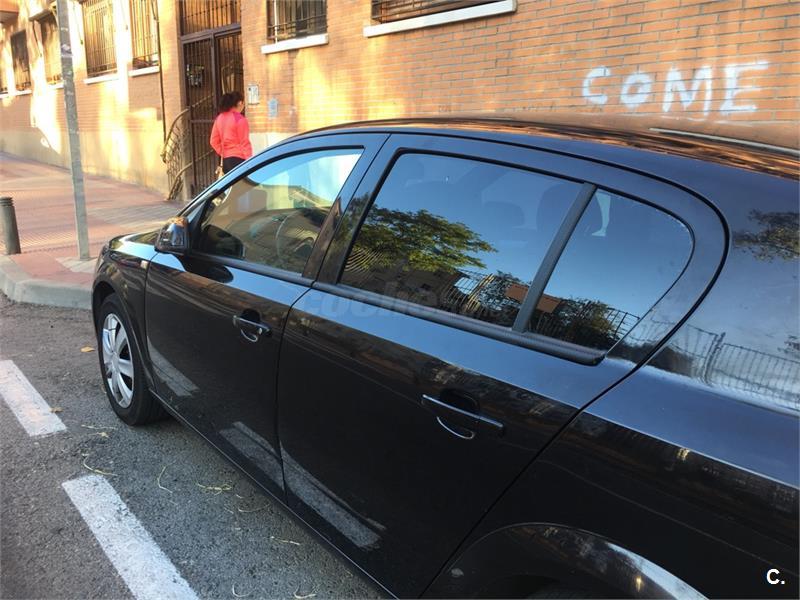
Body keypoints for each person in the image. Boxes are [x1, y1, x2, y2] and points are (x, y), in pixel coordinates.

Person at [209, 91, 253, 175]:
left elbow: (213, 141)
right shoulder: (240, 119)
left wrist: (223, 152)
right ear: (240, 103)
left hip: (226, 160)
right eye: (244, 104)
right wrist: (250, 162)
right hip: (239, 160)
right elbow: (245, 142)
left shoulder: (219, 118)